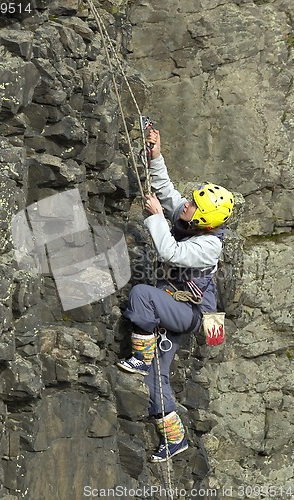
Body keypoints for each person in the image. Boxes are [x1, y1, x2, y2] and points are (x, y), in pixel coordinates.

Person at [117, 129, 234, 463]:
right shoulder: (195, 220)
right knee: (157, 379)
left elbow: (169, 252)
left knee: (142, 294)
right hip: (177, 307)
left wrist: (155, 217)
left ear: (201, 217)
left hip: (188, 314)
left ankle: (139, 357)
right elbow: (167, 191)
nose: (187, 203)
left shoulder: (209, 245)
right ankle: (175, 439)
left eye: (193, 204)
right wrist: (155, 155)